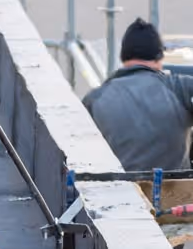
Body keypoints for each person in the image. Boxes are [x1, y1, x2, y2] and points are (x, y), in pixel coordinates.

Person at [83, 18, 193, 172]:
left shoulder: (95, 99)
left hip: (116, 192)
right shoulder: (181, 88)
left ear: (123, 57)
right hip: (175, 192)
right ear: (159, 57)